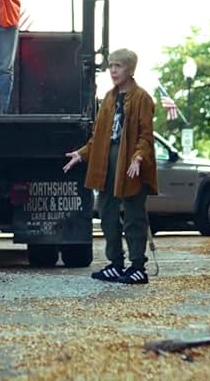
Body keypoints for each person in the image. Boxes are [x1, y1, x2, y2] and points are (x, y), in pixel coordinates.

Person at [64, 49, 157, 284]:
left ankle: (138, 266)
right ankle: (115, 263)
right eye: (111, 66)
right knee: (106, 212)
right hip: (106, 160)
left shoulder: (142, 98)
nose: (113, 70)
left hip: (129, 161)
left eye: (119, 66)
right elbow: (99, 136)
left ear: (131, 69)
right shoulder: (108, 97)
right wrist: (82, 154)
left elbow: (146, 136)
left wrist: (138, 158)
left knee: (134, 215)